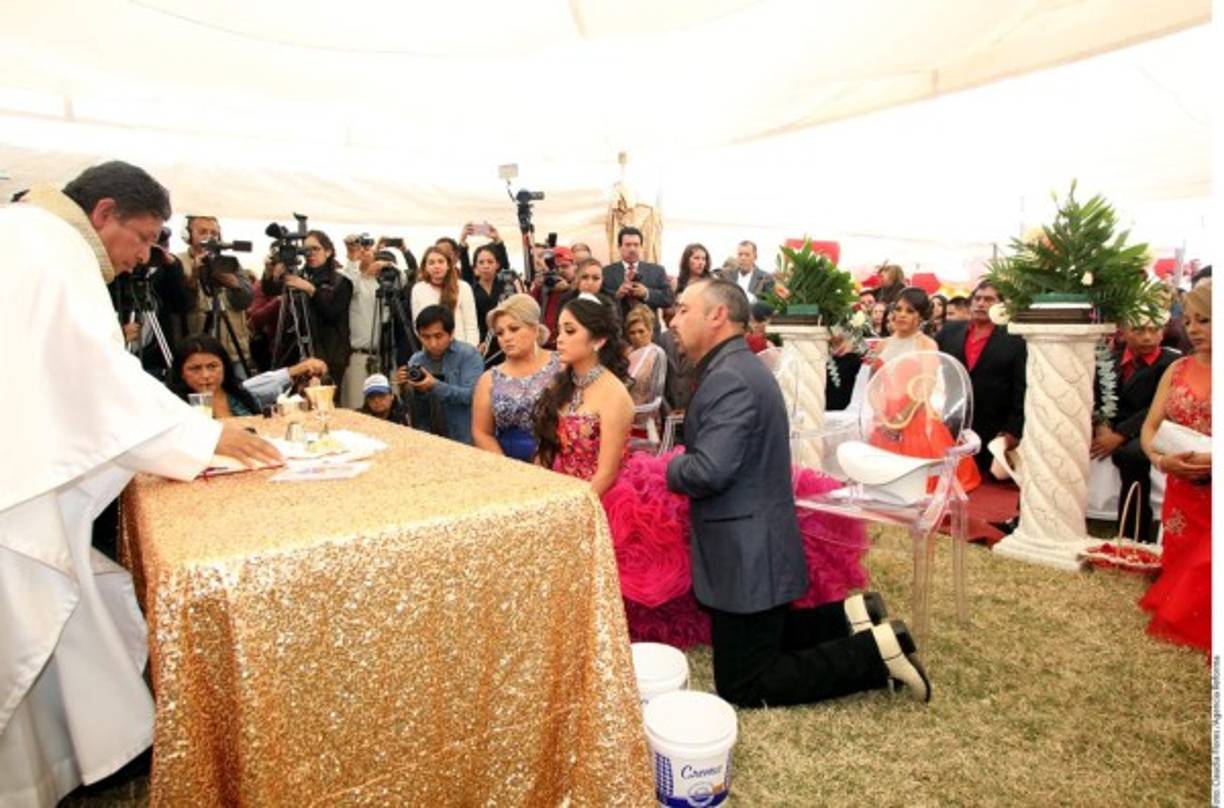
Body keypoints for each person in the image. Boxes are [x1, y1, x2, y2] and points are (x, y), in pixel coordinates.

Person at [0, 161, 279, 807]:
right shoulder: (52, 245)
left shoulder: (25, 233)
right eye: (145, 237)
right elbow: (96, 377)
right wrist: (201, 435)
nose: (146, 256)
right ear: (104, 214)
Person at [664, 279, 929, 707]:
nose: (673, 321)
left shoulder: (729, 377)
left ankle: (876, 655)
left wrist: (670, 464)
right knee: (764, 640)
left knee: (743, 683)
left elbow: (709, 470)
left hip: (747, 550)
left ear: (717, 316)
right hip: (749, 543)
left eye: (682, 310)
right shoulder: (734, 367)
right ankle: (850, 618)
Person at [1139, 281, 1211, 654]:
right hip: (1181, 485)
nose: (1194, 329)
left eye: (1206, 320)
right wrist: (1161, 460)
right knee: (1181, 564)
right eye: (1190, 320)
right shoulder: (1177, 368)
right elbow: (1150, 428)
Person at [865, 287, 981, 494]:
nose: (901, 315)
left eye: (910, 311)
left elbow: (927, 386)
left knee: (921, 485)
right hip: (885, 418)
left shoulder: (926, 344)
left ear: (921, 316)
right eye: (898, 309)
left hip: (916, 416)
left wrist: (901, 419)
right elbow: (873, 383)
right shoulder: (882, 345)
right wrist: (881, 414)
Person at [533, 294, 635, 497]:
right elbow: (545, 454)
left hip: (600, 498)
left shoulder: (615, 395)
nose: (559, 339)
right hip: (560, 490)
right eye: (559, 330)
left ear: (598, 340)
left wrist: (573, 508)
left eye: (570, 331)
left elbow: (607, 474)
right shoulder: (561, 384)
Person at [1091, 318, 1180, 542]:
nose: (1147, 337)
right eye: (1139, 330)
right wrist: (1101, 426)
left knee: (1132, 455)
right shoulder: (1108, 360)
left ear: (1162, 333)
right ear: (1123, 331)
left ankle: (1133, 535)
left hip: (1154, 427)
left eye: (1154, 330)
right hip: (1111, 426)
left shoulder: (1172, 363)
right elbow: (1096, 397)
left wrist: (1120, 435)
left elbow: (1159, 407)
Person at [935, 281, 1026, 474]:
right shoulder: (949, 332)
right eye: (977, 298)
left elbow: (1022, 387)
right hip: (953, 426)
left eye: (989, 299)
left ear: (1002, 305)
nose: (981, 303)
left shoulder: (1016, 338)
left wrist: (1013, 430)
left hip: (994, 431)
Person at [472, 294, 560, 461]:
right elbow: (481, 432)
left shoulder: (561, 365)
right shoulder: (489, 379)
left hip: (559, 460)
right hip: (506, 463)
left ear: (534, 329)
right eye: (500, 333)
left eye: (514, 329)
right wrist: (506, 467)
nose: (506, 338)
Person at [167, 334, 328, 416]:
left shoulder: (240, 396)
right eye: (195, 369)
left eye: (212, 366)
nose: (205, 375)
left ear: (224, 367)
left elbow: (257, 386)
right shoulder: (171, 407)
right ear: (181, 373)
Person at [179, 215, 255, 375]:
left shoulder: (231, 263)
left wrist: (231, 281)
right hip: (196, 352)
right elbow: (181, 303)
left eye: (214, 233)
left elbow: (246, 300)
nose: (209, 237)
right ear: (188, 235)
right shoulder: (179, 262)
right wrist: (194, 276)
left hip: (233, 352)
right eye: (203, 232)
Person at [398, 305, 483, 445]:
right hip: (428, 436)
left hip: (463, 437)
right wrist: (404, 387)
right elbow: (413, 405)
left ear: (451, 333)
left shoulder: (469, 355)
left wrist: (435, 385)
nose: (432, 343)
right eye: (425, 337)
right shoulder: (416, 360)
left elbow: (471, 396)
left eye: (438, 336)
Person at [340, 242, 407, 408]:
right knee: (356, 406)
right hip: (360, 357)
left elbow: (403, 280)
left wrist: (387, 265)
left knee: (390, 407)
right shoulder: (355, 281)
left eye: (368, 249)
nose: (365, 253)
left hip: (385, 356)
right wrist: (354, 260)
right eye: (361, 249)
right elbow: (349, 282)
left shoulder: (384, 285)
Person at [282, 230, 353, 383]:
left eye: (316, 249)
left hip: (330, 354)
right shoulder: (298, 277)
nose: (310, 253)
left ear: (328, 252)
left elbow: (332, 314)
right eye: (306, 249)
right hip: (299, 351)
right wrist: (273, 273)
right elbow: (270, 291)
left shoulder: (341, 282)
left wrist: (312, 291)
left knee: (324, 396)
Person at [601, 226, 673, 326]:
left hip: (649, 330)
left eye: (636, 245)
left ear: (641, 247)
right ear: (619, 247)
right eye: (628, 245)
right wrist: (617, 296)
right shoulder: (606, 272)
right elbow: (601, 301)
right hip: (619, 330)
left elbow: (668, 298)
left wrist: (647, 293)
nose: (632, 249)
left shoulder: (657, 271)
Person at [410, 246, 479, 347]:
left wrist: (469, 350)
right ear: (425, 267)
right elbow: (417, 326)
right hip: (432, 348)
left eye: (441, 262)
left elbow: (471, 325)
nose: (436, 266)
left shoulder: (463, 287)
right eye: (431, 263)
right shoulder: (418, 289)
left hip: (460, 347)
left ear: (448, 265)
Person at [626, 304, 667, 408]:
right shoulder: (626, 353)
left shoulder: (657, 353)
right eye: (632, 333)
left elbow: (657, 397)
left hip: (645, 412)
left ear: (650, 331)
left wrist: (635, 410)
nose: (637, 336)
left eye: (641, 331)